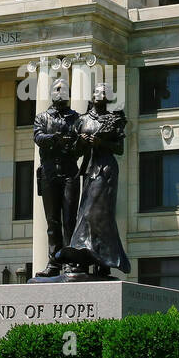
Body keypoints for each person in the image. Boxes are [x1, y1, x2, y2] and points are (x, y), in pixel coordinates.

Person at [57, 83, 130, 279]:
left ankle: (103, 261)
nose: (101, 93)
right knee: (86, 213)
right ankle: (88, 257)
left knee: (102, 215)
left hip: (106, 170)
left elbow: (120, 149)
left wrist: (101, 142)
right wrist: (81, 142)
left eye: (105, 91)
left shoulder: (114, 119)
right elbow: (74, 152)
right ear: (93, 95)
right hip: (90, 170)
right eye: (98, 90)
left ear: (109, 96)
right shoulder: (82, 120)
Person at [31, 78, 82, 279]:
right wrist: (55, 138)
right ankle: (54, 262)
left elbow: (80, 144)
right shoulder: (42, 117)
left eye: (64, 89)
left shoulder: (76, 118)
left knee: (70, 219)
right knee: (52, 221)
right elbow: (38, 137)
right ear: (51, 93)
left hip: (70, 171)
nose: (60, 92)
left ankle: (71, 260)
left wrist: (73, 143)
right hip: (49, 172)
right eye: (57, 89)